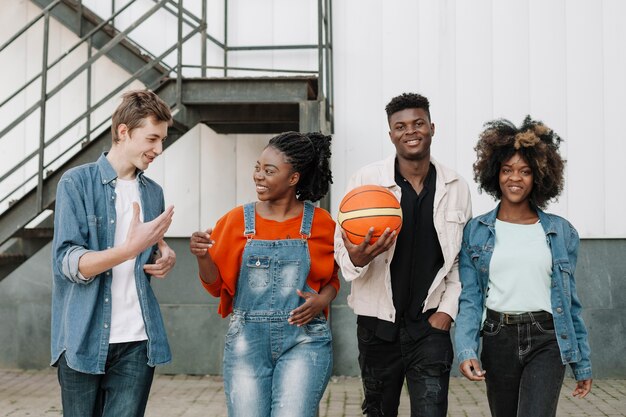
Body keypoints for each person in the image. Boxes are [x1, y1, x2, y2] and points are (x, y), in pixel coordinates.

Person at [334, 93, 472, 417]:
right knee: (379, 412)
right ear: (391, 134)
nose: (410, 131)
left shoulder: (456, 186)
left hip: (430, 326)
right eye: (400, 126)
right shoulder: (367, 181)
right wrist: (357, 257)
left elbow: (459, 261)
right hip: (377, 326)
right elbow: (342, 247)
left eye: (418, 123)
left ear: (432, 128)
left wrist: (447, 312)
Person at [190, 131, 339, 417]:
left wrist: (322, 301)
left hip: (305, 339)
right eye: (257, 167)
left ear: (293, 178)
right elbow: (215, 286)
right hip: (247, 343)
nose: (258, 175)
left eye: (269, 171)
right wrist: (203, 256)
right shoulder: (235, 221)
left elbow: (332, 279)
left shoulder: (321, 224)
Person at [454, 116, 592, 417]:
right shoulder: (476, 232)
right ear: (494, 174)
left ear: (540, 176)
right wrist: (465, 349)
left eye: (525, 171)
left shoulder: (561, 232)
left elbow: (570, 304)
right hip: (496, 337)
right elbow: (470, 298)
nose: (514, 178)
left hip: (547, 338)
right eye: (506, 170)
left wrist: (582, 363)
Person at [51, 90, 177, 417]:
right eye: (152, 138)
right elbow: (69, 263)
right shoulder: (76, 183)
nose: (158, 149)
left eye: (162, 140)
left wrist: (161, 258)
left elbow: (142, 260)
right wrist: (128, 250)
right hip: (83, 337)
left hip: (137, 340)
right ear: (123, 132)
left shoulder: (153, 193)